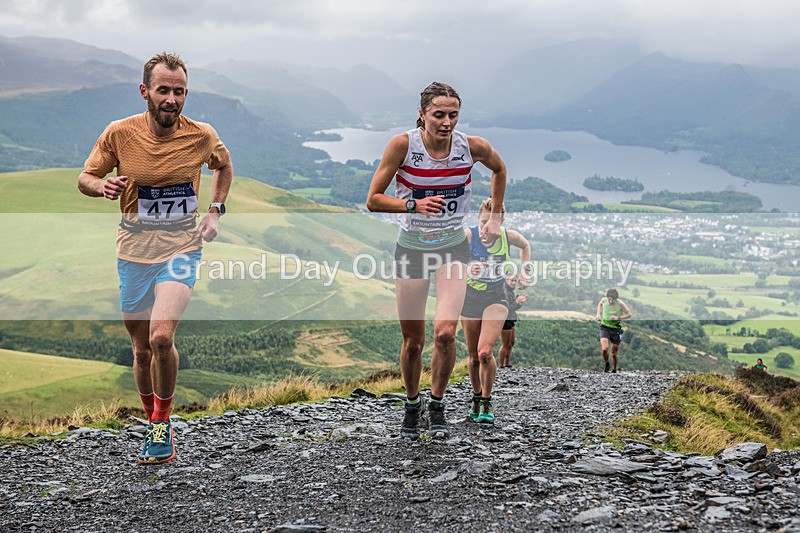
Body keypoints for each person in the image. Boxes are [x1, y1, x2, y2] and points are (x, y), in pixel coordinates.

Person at [78, 52, 232, 464]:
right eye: (163, 90)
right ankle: (152, 422)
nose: (172, 99)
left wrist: (215, 211)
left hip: (182, 246)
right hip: (132, 250)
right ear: (145, 91)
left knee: (161, 336)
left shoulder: (201, 135)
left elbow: (223, 165)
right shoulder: (120, 133)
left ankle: (162, 425)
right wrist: (102, 188)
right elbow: (85, 176)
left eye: (179, 91)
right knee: (141, 349)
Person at [366, 81, 507, 439]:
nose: (446, 123)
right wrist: (413, 204)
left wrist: (494, 216)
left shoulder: (471, 147)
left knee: (445, 334)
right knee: (413, 341)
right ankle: (412, 405)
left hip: (452, 247)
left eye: (453, 115)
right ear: (422, 114)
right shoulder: (402, 145)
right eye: (438, 115)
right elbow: (373, 199)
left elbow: (499, 169)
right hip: (412, 247)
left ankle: (437, 404)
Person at [461, 199, 530, 423]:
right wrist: (469, 268)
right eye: (482, 222)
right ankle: (476, 395)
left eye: (491, 223)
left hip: (496, 296)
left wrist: (525, 271)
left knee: (484, 353)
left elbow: (525, 245)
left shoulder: (508, 236)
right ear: (477, 219)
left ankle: (487, 401)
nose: (486, 229)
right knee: (472, 357)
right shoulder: (469, 236)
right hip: (470, 297)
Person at [595, 288, 632, 373]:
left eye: (613, 300)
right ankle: (607, 363)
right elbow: (600, 304)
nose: (610, 301)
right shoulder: (604, 300)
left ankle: (614, 369)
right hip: (604, 327)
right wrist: (598, 314)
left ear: (616, 299)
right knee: (604, 349)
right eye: (609, 299)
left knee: (614, 352)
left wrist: (618, 318)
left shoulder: (620, 303)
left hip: (616, 329)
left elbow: (629, 314)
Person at [498, 275, 528, 369]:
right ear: (506, 280)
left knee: (511, 342)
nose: (513, 283)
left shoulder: (510, 291)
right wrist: (517, 301)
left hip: (511, 318)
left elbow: (513, 308)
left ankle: (507, 363)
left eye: (515, 281)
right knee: (505, 343)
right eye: (512, 281)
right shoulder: (504, 291)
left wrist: (519, 302)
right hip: (505, 319)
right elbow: (507, 308)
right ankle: (501, 365)